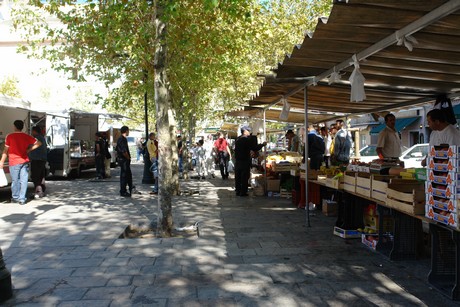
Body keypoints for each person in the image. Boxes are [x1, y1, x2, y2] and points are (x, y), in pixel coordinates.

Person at [0, 120, 42, 205]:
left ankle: (15, 197)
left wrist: (1, 161)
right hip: (24, 161)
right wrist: (29, 150)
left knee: (15, 180)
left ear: (15, 126)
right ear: (22, 127)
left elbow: (5, 150)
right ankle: (22, 199)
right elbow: (39, 143)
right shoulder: (26, 136)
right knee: (24, 180)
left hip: (14, 161)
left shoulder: (10, 136)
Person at [234, 126, 267, 196]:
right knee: (244, 177)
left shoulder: (238, 139)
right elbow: (254, 148)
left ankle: (238, 191)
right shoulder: (246, 139)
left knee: (238, 176)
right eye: (248, 131)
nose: (249, 132)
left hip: (238, 161)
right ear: (245, 131)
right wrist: (262, 144)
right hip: (244, 161)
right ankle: (243, 192)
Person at [29, 126, 47, 199]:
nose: (31, 132)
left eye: (32, 131)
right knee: (40, 176)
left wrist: (28, 150)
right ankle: (41, 189)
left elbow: (34, 146)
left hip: (37, 159)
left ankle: (39, 192)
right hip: (42, 159)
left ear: (35, 131)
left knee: (35, 176)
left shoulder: (37, 138)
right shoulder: (42, 138)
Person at [116, 126, 134, 197]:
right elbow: (124, 151)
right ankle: (123, 191)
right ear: (126, 131)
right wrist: (128, 157)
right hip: (123, 160)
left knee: (128, 175)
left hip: (124, 160)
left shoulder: (123, 139)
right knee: (124, 176)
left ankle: (129, 188)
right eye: (128, 131)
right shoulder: (122, 139)